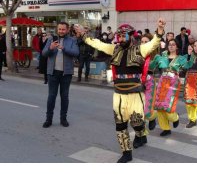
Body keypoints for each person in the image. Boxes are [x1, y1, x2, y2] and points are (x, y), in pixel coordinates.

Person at [75, 18, 166, 163]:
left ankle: (141, 134)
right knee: (120, 124)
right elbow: (98, 44)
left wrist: (160, 30)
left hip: (136, 94)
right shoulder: (114, 49)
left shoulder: (140, 49)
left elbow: (154, 43)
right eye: (120, 36)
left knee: (137, 122)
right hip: (118, 94)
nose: (121, 38)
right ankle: (126, 152)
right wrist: (84, 35)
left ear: (131, 35)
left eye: (124, 35)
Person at [42, 22, 79, 128]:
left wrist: (64, 48)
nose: (61, 31)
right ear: (57, 29)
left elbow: (76, 53)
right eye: (59, 29)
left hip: (66, 74)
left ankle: (63, 119)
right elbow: (44, 53)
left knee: (64, 97)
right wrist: (50, 48)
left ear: (67, 30)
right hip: (52, 73)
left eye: (63, 29)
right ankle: (48, 119)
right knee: (51, 97)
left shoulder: (72, 40)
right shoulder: (51, 39)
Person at [150, 39, 187, 136]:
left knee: (168, 107)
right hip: (162, 81)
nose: (171, 46)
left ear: (177, 47)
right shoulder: (163, 57)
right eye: (169, 44)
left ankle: (175, 118)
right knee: (159, 106)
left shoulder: (181, 58)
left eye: (173, 44)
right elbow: (153, 66)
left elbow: (187, 67)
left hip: (173, 82)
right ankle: (166, 128)